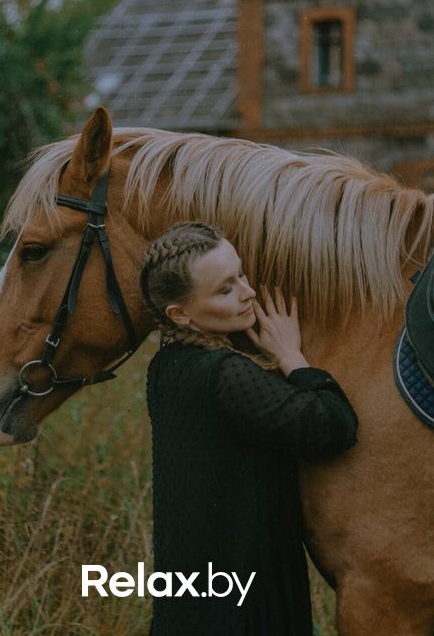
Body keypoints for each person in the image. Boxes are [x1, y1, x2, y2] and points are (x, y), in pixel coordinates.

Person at [138, 221, 359, 636]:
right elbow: (334, 426)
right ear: (180, 315)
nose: (248, 292)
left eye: (240, 274)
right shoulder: (224, 374)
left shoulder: (165, 367)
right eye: (225, 289)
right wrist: (292, 358)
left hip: (193, 602)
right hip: (245, 607)